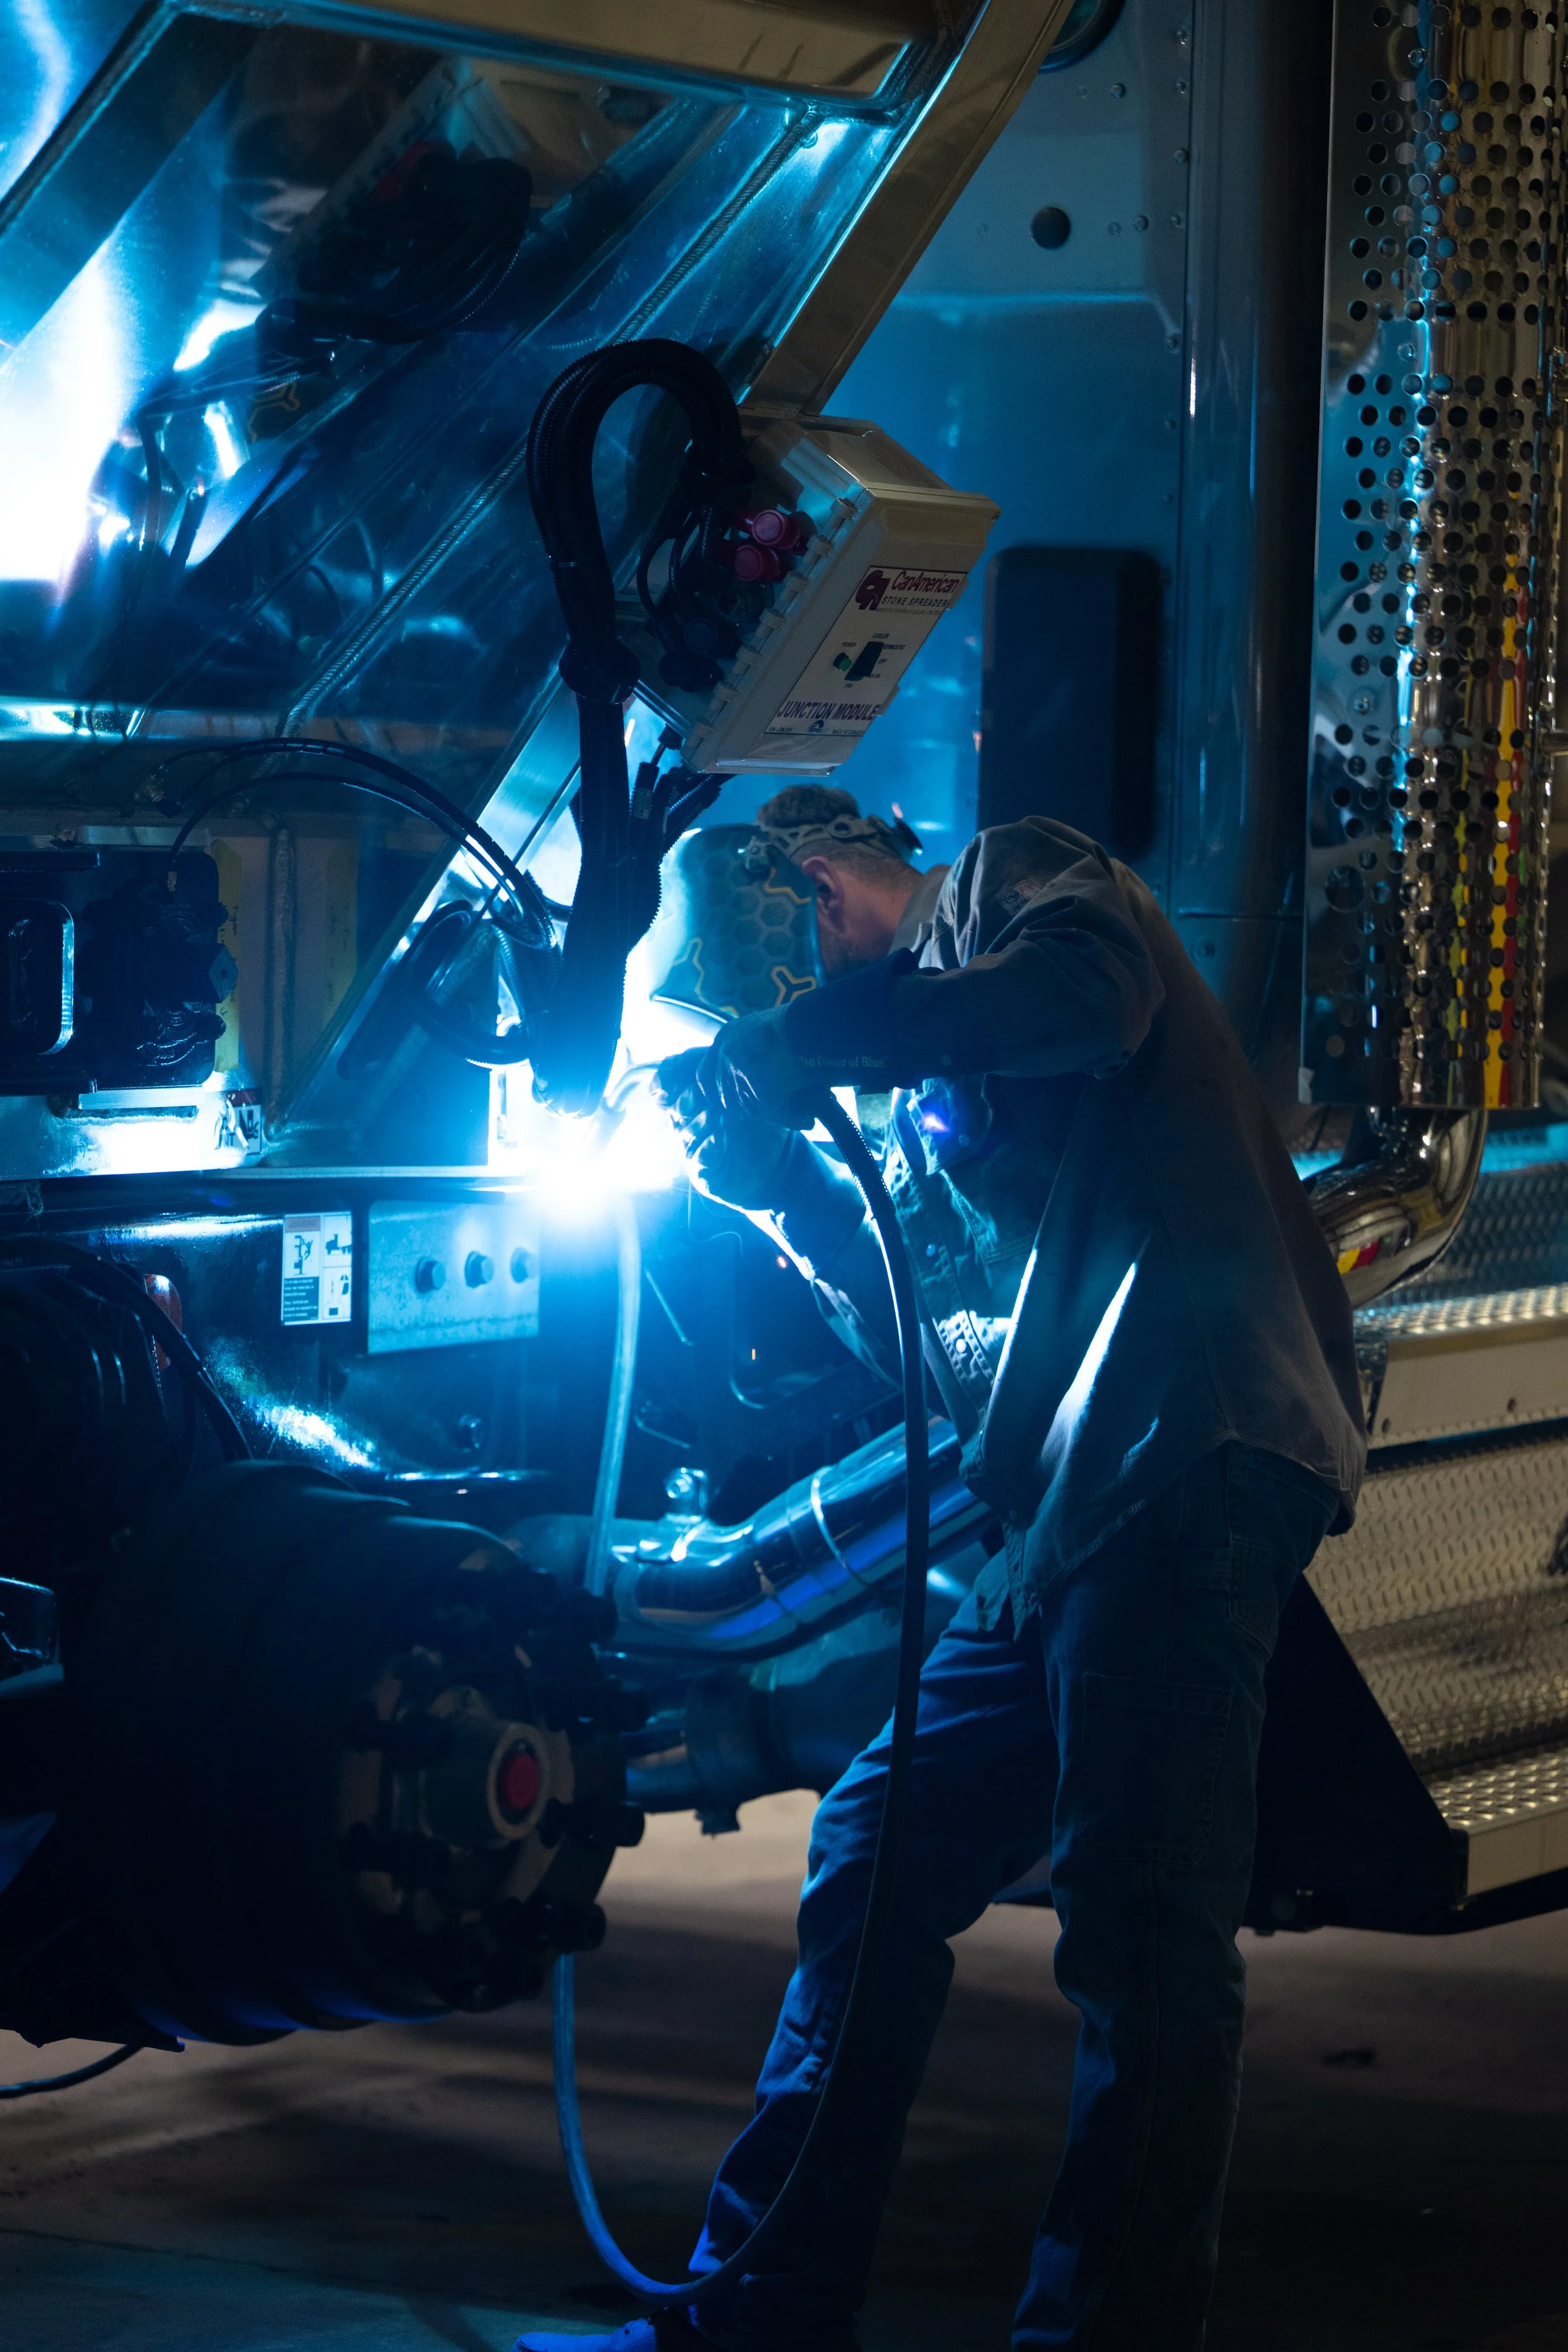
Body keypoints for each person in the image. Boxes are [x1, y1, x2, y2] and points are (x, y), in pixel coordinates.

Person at [520, 785, 1366, 2352]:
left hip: (1187, 1445)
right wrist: (778, 1199)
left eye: (776, 992)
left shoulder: (1012, 883)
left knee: (1142, 1940)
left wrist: (792, 1049)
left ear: (821, 892)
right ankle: (768, 2300)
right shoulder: (914, 1076)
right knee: (876, 1849)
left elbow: (1090, 999)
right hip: (1072, 1506)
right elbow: (946, 1348)